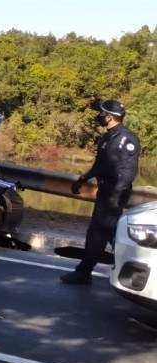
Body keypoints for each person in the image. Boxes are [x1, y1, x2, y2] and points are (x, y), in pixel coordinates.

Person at [61, 99, 140, 285]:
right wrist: (83, 179)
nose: (99, 116)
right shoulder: (106, 138)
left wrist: (115, 197)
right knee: (99, 232)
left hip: (115, 194)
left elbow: (128, 172)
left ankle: (136, 269)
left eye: (102, 114)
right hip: (105, 192)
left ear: (110, 117)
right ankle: (84, 272)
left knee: (110, 233)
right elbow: (100, 165)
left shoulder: (126, 139)